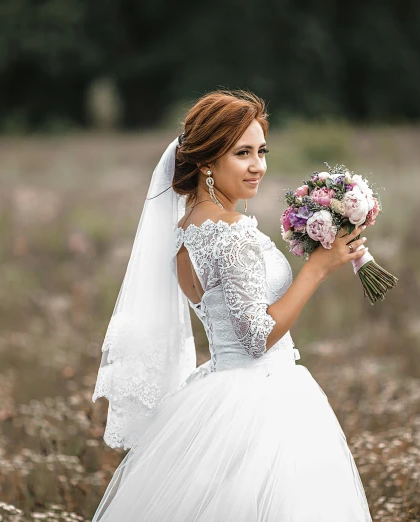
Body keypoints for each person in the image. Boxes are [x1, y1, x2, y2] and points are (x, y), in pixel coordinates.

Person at [91, 89, 373, 521]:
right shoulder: (231, 231)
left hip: (216, 396)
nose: (258, 165)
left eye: (261, 151)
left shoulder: (185, 232)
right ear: (207, 161)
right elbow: (257, 336)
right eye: (242, 153)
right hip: (264, 399)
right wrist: (317, 268)